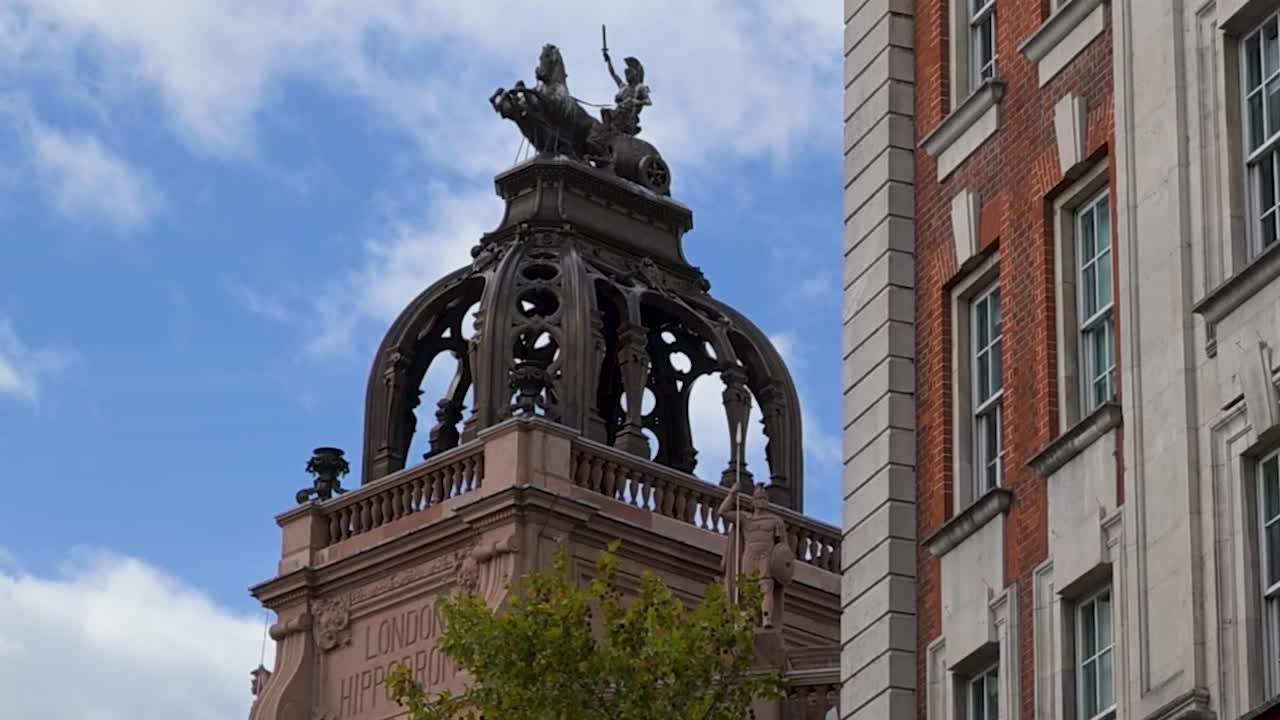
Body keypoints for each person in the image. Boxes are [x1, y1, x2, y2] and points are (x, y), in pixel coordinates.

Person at [718, 483, 792, 628]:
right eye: (758, 497)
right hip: (749, 558)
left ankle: (767, 619)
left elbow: (783, 547)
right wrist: (732, 493)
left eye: (764, 498)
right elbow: (723, 512)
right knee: (748, 591)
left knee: (766, 588)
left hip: (766, 558)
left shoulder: (775, 521)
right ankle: (750, 621)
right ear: (753, 501)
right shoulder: (745, 518)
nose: (761, 500)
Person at [602, 49, 651, 136]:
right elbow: (613, 74)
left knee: (609, 115)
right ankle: (606, 133)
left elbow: (648, 101)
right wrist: (609, 61)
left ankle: (607, 135)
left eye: (629, 74)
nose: (627, 77)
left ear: (634, 75)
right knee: (605, 112)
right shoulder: (623, 87)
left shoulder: (640, 87)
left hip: (628, 115)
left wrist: (637, 101)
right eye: (626, 75)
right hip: (618, 111)